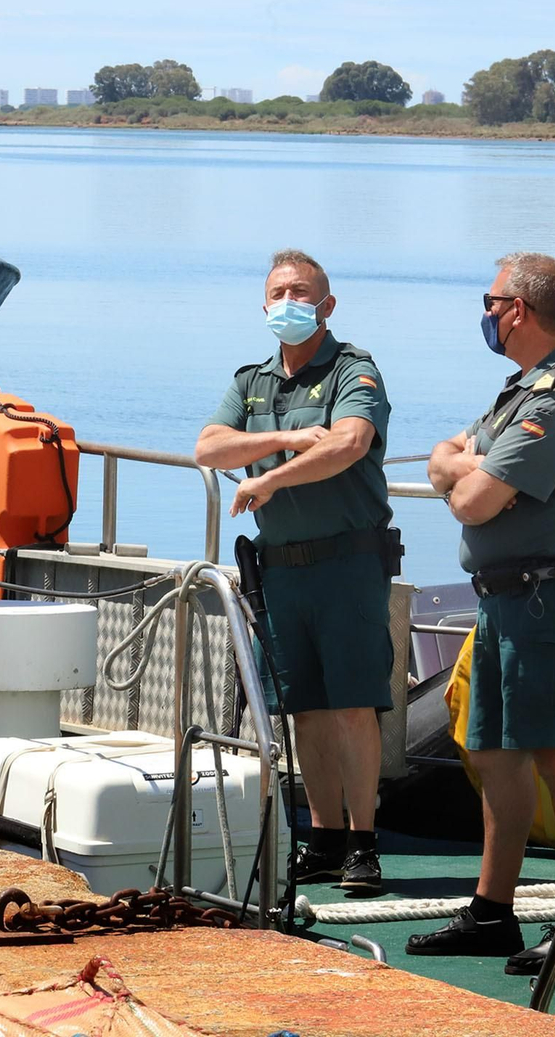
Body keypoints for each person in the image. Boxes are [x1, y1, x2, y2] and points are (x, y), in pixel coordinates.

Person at [408, 252, 555, 975]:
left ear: (519, 310)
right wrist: (468, 468)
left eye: (491, 301)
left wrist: (468, 472)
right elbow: (445, 457)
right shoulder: (524, 391)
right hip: (508, 597)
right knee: (497, 753)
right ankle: (491, 911)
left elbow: (466, 495)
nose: (487, 313)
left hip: (551, 600)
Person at [194, 248, 397, 894]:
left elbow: (349, 441)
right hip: (281, 573)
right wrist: (283, 440)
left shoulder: (352, 369)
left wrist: (271, 481)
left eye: (301, 291)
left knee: (351, 707)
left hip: (346, 564)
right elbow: (209, 444)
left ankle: (365, 841)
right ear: (263, 304)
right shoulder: (253, 382)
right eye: (278, 291)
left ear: (326, 305)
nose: (288, 301)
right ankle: (325, 834)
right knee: (303, 709)